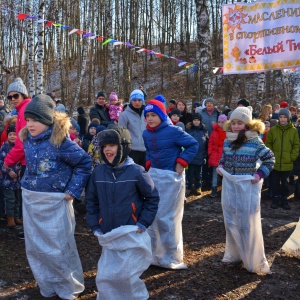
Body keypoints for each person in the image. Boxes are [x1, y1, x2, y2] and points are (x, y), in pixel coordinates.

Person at [20, 94, 92, 299]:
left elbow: (84, 163)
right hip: (31, 199)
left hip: (55, 202)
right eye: (28, 120)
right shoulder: (27, 139)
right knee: (35, 247)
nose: (31, 124)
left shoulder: (60, 141)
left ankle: (68, 286)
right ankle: (47, 284)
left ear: (47, 120)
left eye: (35, 120)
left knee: (59, 246)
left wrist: (72, 190)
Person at [85, 127, 159, 299]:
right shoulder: (98, 173)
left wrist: (142, 222)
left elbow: (152, 198)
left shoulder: (137, 172)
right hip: (109, 233)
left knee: (127, 274)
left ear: (124, 146)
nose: (107, 150)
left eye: (112, 145)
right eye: (104, 146)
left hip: (131, 232)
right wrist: (95, 224)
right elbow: (91, 201)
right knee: (106, 275)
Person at [217, 106, 274, 274]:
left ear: (247, 124)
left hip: (247, 187)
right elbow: (224, 157)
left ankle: (252, 259)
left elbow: (269, 159)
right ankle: (235, 254)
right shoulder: (228, 140)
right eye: (233, 123)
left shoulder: (255, 141)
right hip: (230, 186)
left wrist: (260, 174)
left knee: (246, 222)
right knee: (230, 219)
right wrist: (221, 165)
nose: (235, 126)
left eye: (239, 123)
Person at [143, 99, 198, 269]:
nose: (150, 118)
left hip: (171, 177)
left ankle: (171, 256)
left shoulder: (173, 131)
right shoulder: (146, 133)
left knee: (167, 217)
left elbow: (192, 144)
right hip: (154, 176)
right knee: (152, 216)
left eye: (154, 115)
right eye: (147, 115)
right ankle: (153, 254)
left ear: (161, 115)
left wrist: (181, 162)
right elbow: (149, 152)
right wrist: (148, 164)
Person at [266, 108, 299, 210]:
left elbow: (296, 145)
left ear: (288, 118)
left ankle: (284, 199)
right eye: (281, 117)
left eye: (285, 117)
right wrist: (271, 155)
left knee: (285, 183)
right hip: (275, 162)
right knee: (275, 182)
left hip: (287, 162)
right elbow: (268, 144)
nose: (283, 119)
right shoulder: (273, 130)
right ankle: (276, 199)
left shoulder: (293, 130)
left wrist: (292, 157)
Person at [0, 124, 22, 228]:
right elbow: (1, 162)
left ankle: (17, 217)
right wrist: (8, 171)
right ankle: (10, 218)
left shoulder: (19, 147)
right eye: (10, 134)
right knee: (10, 199)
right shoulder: (4, 147)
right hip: (7, 179)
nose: (13, 136)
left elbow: (22, 161)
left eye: (15, 134)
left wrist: (20, 171)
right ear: (7, 135)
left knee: (17, 198)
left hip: (17, 179)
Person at [118, 89, 147, 168]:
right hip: (132, 150)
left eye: (139, 100)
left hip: (147, 150)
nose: (137, 102)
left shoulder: (148, 113)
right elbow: (121, 133)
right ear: (131, 101)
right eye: (134, 100)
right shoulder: (124, 115)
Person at [186, 113, 208, 196]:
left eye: (198, 120)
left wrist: (205, 155)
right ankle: (189, 187)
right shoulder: (188, 130)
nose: (196, 122)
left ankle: (198, 187)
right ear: (192, 121)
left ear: (200, 121)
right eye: (194, 120)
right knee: (190, 173)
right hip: (191, 156)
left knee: (199, 173)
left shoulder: (204, 130)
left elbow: (206, 143)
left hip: (200, 155)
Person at [208, 114, 227, 198]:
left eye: (222, 122)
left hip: (224, 155)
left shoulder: (228, 132)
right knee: (215, 173)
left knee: (225, 174)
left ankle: (225, 190)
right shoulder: (214, 131)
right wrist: (210, 152)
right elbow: (210, 143)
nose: (220, 124)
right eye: (219, 122)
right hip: (215, 155)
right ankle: (214, 189)